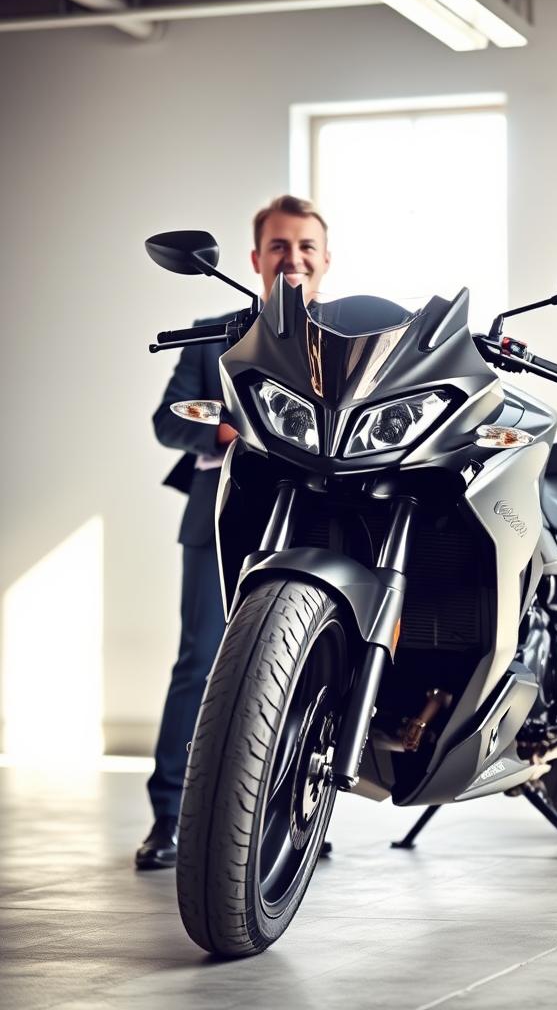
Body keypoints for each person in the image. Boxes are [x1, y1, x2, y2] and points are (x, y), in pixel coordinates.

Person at [136, 196, 331, 869]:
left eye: (306, 246)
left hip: (317, 523)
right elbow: (168, 421)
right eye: (279, 246)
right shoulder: (210, 331)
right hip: (220, 515)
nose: (293, 258)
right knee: (203, 664)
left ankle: (293, 816)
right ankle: (169, 819)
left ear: (326, 259)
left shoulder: (349, 338)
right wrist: (229, 428)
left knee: (304, 670)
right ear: (255, 260)